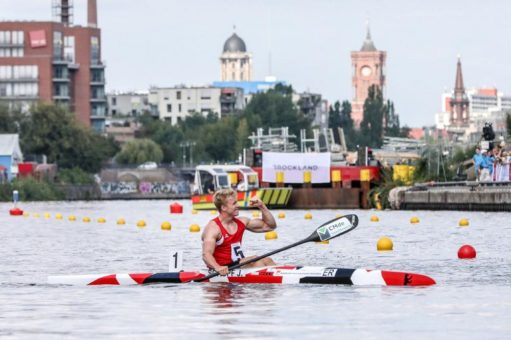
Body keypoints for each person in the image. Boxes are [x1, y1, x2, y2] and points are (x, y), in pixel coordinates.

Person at [202, 188, 277, 276]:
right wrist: (217, 267)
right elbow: (206, 254)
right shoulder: (213, 228)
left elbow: (270, 226)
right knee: (257, 261)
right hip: (223, 269)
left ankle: (279, 279)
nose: (238, 205)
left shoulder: (242, 222)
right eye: (234, 203)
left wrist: (261, 206)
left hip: (238, 264)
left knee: (267, 260)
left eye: (237, 202)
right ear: (223, 207)